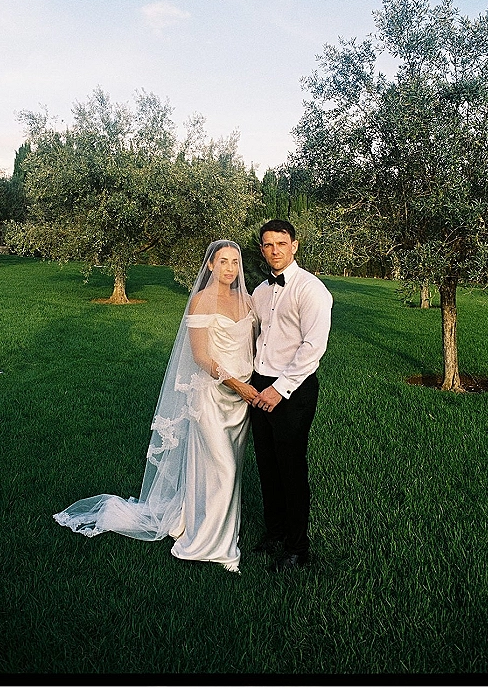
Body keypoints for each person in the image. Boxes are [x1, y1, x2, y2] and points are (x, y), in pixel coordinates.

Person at [54, 241, 258, 573]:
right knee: (225, 469)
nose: (230, 269)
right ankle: (211, 546)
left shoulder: (247, 301)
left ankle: (208, 527)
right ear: (209, 266)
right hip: (211, 395)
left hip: (240, 404)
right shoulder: (200, 301)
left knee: (222, 470)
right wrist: (239, 385)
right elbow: (202, 357)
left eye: (235, 262)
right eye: (223, 262)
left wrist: (251, 388)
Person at [249, 219, 333, 572]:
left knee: (291, 468)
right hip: (258, 386)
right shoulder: (260, 291)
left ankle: (299, 550)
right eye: (268, 245)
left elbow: (313, 347)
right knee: (267, 466)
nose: (274, 251)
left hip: (292, 390)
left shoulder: (311, 289)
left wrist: (279, 389)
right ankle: (276, 532)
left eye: (281, 244)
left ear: (294, 245)